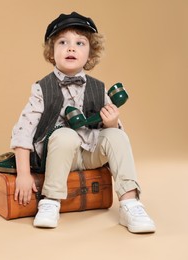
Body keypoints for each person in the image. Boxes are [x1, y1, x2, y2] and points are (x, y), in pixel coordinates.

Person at [9, 11, 156, 233]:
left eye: (80, 42)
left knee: (117, 135)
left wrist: (111, 123)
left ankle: (130, 203)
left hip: (89, 155)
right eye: (62, 42)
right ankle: (50, 200)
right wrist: (23, 173)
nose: (71, 48)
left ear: (90, 53)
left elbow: (115, 143)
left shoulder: (99, 88)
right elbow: (23, 130)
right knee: (65, 134)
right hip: (56, 155)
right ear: (51, 52)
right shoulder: (42, 88)